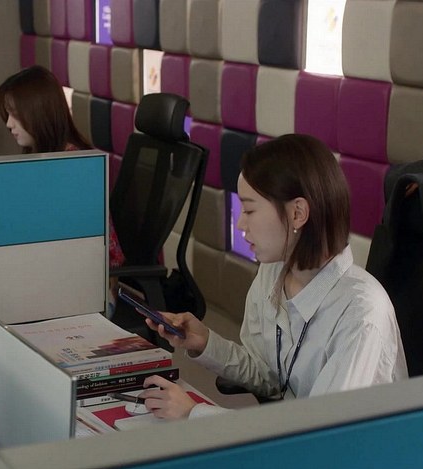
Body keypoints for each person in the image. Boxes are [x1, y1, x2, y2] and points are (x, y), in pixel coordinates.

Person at [139, 134, 408, 419]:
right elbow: (269, 378)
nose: (240, 223)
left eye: (249, 209)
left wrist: (194, 414)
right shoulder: (274, 271)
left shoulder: (361, 315)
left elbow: (320, 433)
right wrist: (205, 342)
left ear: (297, 213)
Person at [0, 65, 126, 268]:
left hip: (90, 275)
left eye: (15, 114)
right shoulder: (48, 158)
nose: (9, 124)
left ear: (39, 113)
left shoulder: (73, 167)